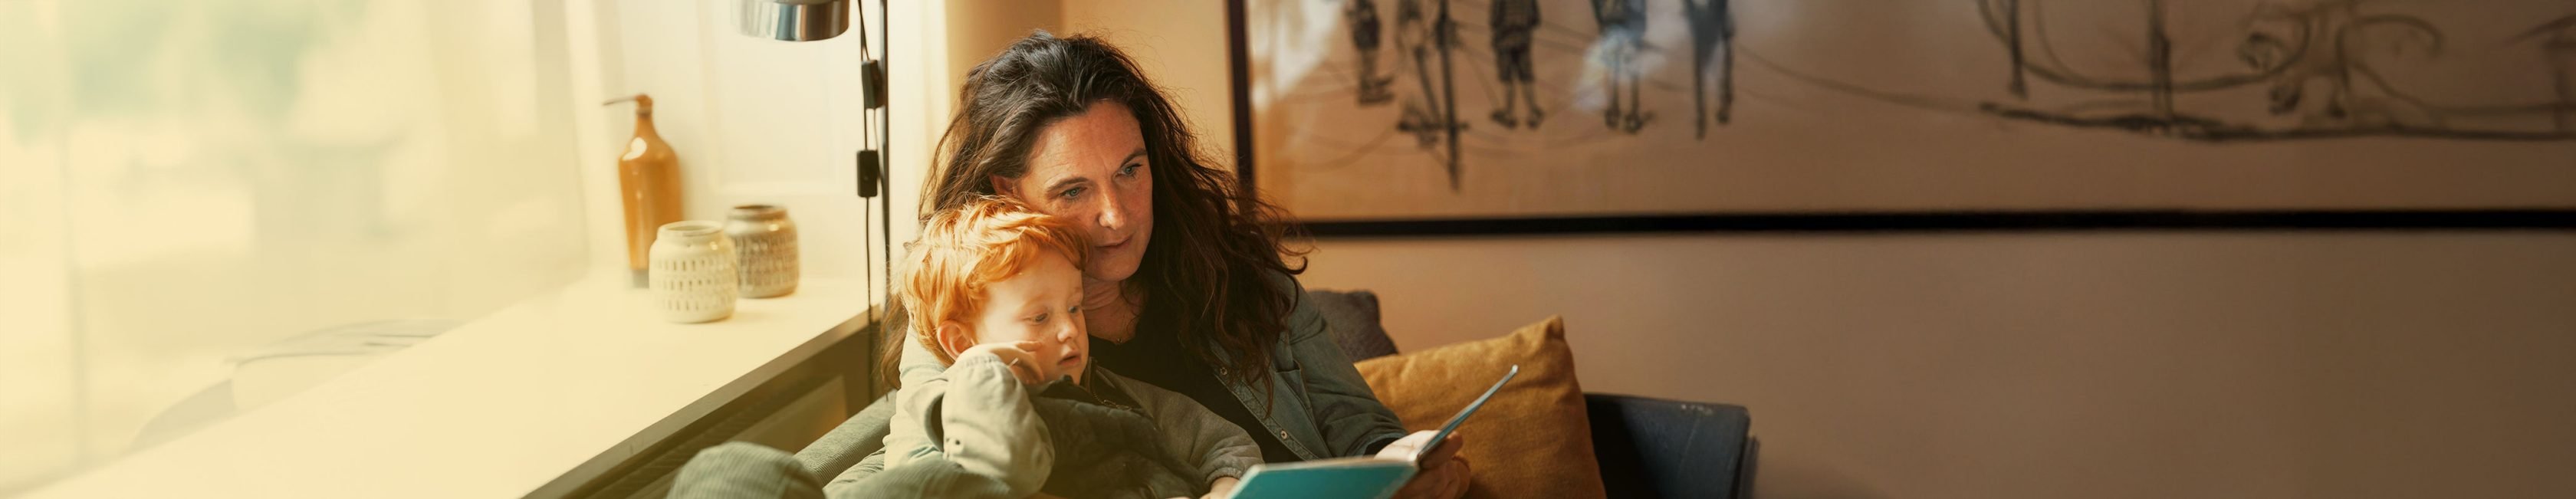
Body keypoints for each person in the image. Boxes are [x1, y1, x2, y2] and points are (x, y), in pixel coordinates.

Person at [899, 30, 1471, 499]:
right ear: (1010, 190)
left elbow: (1357, 421)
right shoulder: (970, 317)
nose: (1117, 216)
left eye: (1130, 170)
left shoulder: (1232, 268)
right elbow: (932, 473)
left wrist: (1397, 467)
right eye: (1073, 191)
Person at [880, 196, 1259, 499]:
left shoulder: (1115, 392)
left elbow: (1227, 443)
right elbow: (1005, 464)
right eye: (1039, 318)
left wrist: (1222, 492)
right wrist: (981, 368)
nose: (1069, 330)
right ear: (962, 342)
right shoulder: (948, 410)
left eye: (1075, 307)